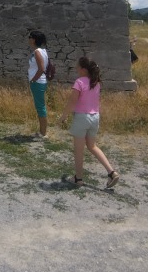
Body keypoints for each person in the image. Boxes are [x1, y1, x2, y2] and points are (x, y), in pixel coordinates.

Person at [59, 56, 119, 188]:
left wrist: (64, 116)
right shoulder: (96, 82)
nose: (76, 68)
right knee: (92, 146)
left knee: (79, 150)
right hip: (95, 117)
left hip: (82, 118)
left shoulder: (79, 82)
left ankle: (78, 178)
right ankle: (111, 172)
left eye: (78, 66)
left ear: (84, 69)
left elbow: (72, 102)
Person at [28, 30, 49, 140]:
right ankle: (42, 131)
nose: (29, 39)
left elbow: (41, 69)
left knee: (40, 107)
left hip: (38, 82)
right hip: (40, 82)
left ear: (34, 39)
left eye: (30, 37)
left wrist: (33, 80)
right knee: (40, 107)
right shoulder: (43, 51)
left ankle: (43, 133)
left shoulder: (37, 52)